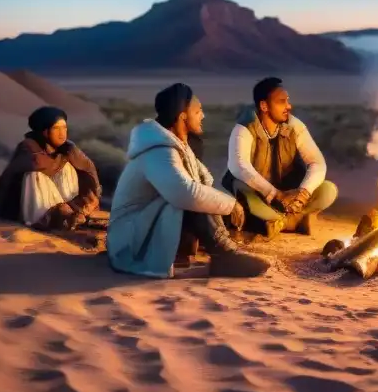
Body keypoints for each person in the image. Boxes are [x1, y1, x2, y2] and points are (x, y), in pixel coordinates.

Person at [107, 83, 269, 279]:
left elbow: (205, 185)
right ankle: (224, 255)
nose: (203, 116)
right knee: (188, 197)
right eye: (198, 111)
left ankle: (218, 251)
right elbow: (185, 193)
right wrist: (231, 205)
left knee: (205, 196)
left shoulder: (179, 147)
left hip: (146, 230)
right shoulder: (159, 151)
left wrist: (231, 204)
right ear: (183, 115)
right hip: (129, 244)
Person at [222, 77, 338, 238]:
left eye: (288, 101)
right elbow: (239, 166)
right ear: (264, 106)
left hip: (290, 194)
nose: (288, 106)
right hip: (259, 195)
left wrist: (302, 193)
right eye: (281, 102)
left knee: (328, 190)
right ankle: (292, 221)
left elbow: (317, 163)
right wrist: (275, 194)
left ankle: (279, 222)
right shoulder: (244, 128)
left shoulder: (294, 126)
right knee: (246, 195)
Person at [0, 106, 102, 230]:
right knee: (35, 175)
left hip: (63, 202)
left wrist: (94, 194)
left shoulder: (67, 148)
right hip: (24, 207)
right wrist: (63, 156)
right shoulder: (28, 146)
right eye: (56, 128)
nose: (62, 134)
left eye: (64, 128)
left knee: (68, 167)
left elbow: (88, 168)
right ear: (44, 131)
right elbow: (37, 163)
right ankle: (45, 217)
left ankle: (68, 213)